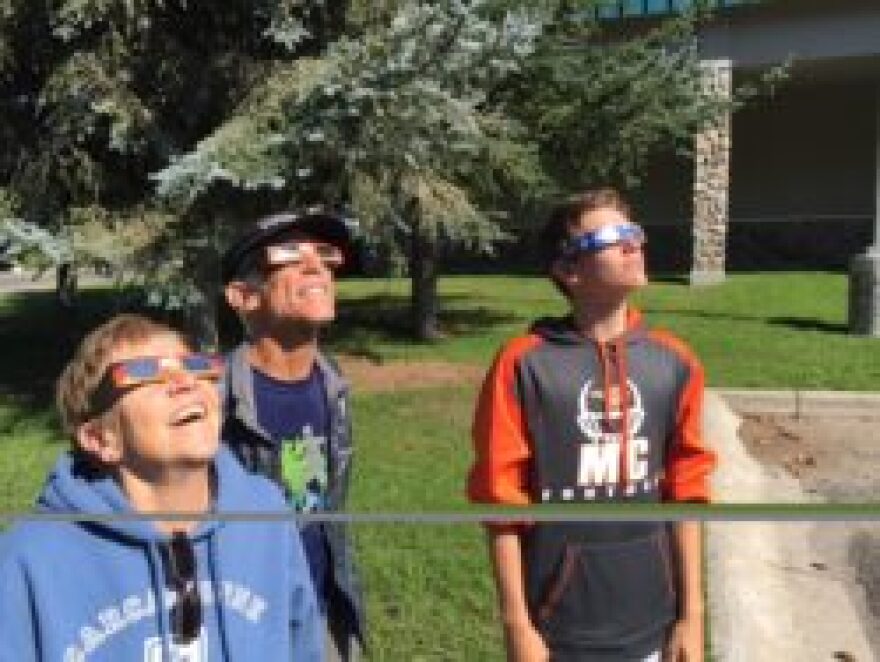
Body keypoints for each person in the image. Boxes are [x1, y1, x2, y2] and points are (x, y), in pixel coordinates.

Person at [467, 188, 717, 662]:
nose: (633, 244)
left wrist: (691, 616)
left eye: (635, 232)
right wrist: (518, 626)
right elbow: (501, 505)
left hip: (653, 626)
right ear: (569, 270)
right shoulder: (524, 365)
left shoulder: (674, 361)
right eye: (612, 236)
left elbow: (687, 492)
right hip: (557, 632)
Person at [0, 314, 322, 661]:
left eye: (196, 365)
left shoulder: (265, 512)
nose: (185, 382)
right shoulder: (28, 560)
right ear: (99, 439)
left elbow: (302, 643)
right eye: (146, 374)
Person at [220, 207, 364, 660]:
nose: (315, 265)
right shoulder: (211, 400)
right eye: (287, 254)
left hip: (325, 611)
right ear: (244, 297)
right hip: (245, 625)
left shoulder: (332, 381)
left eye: (325, 254)